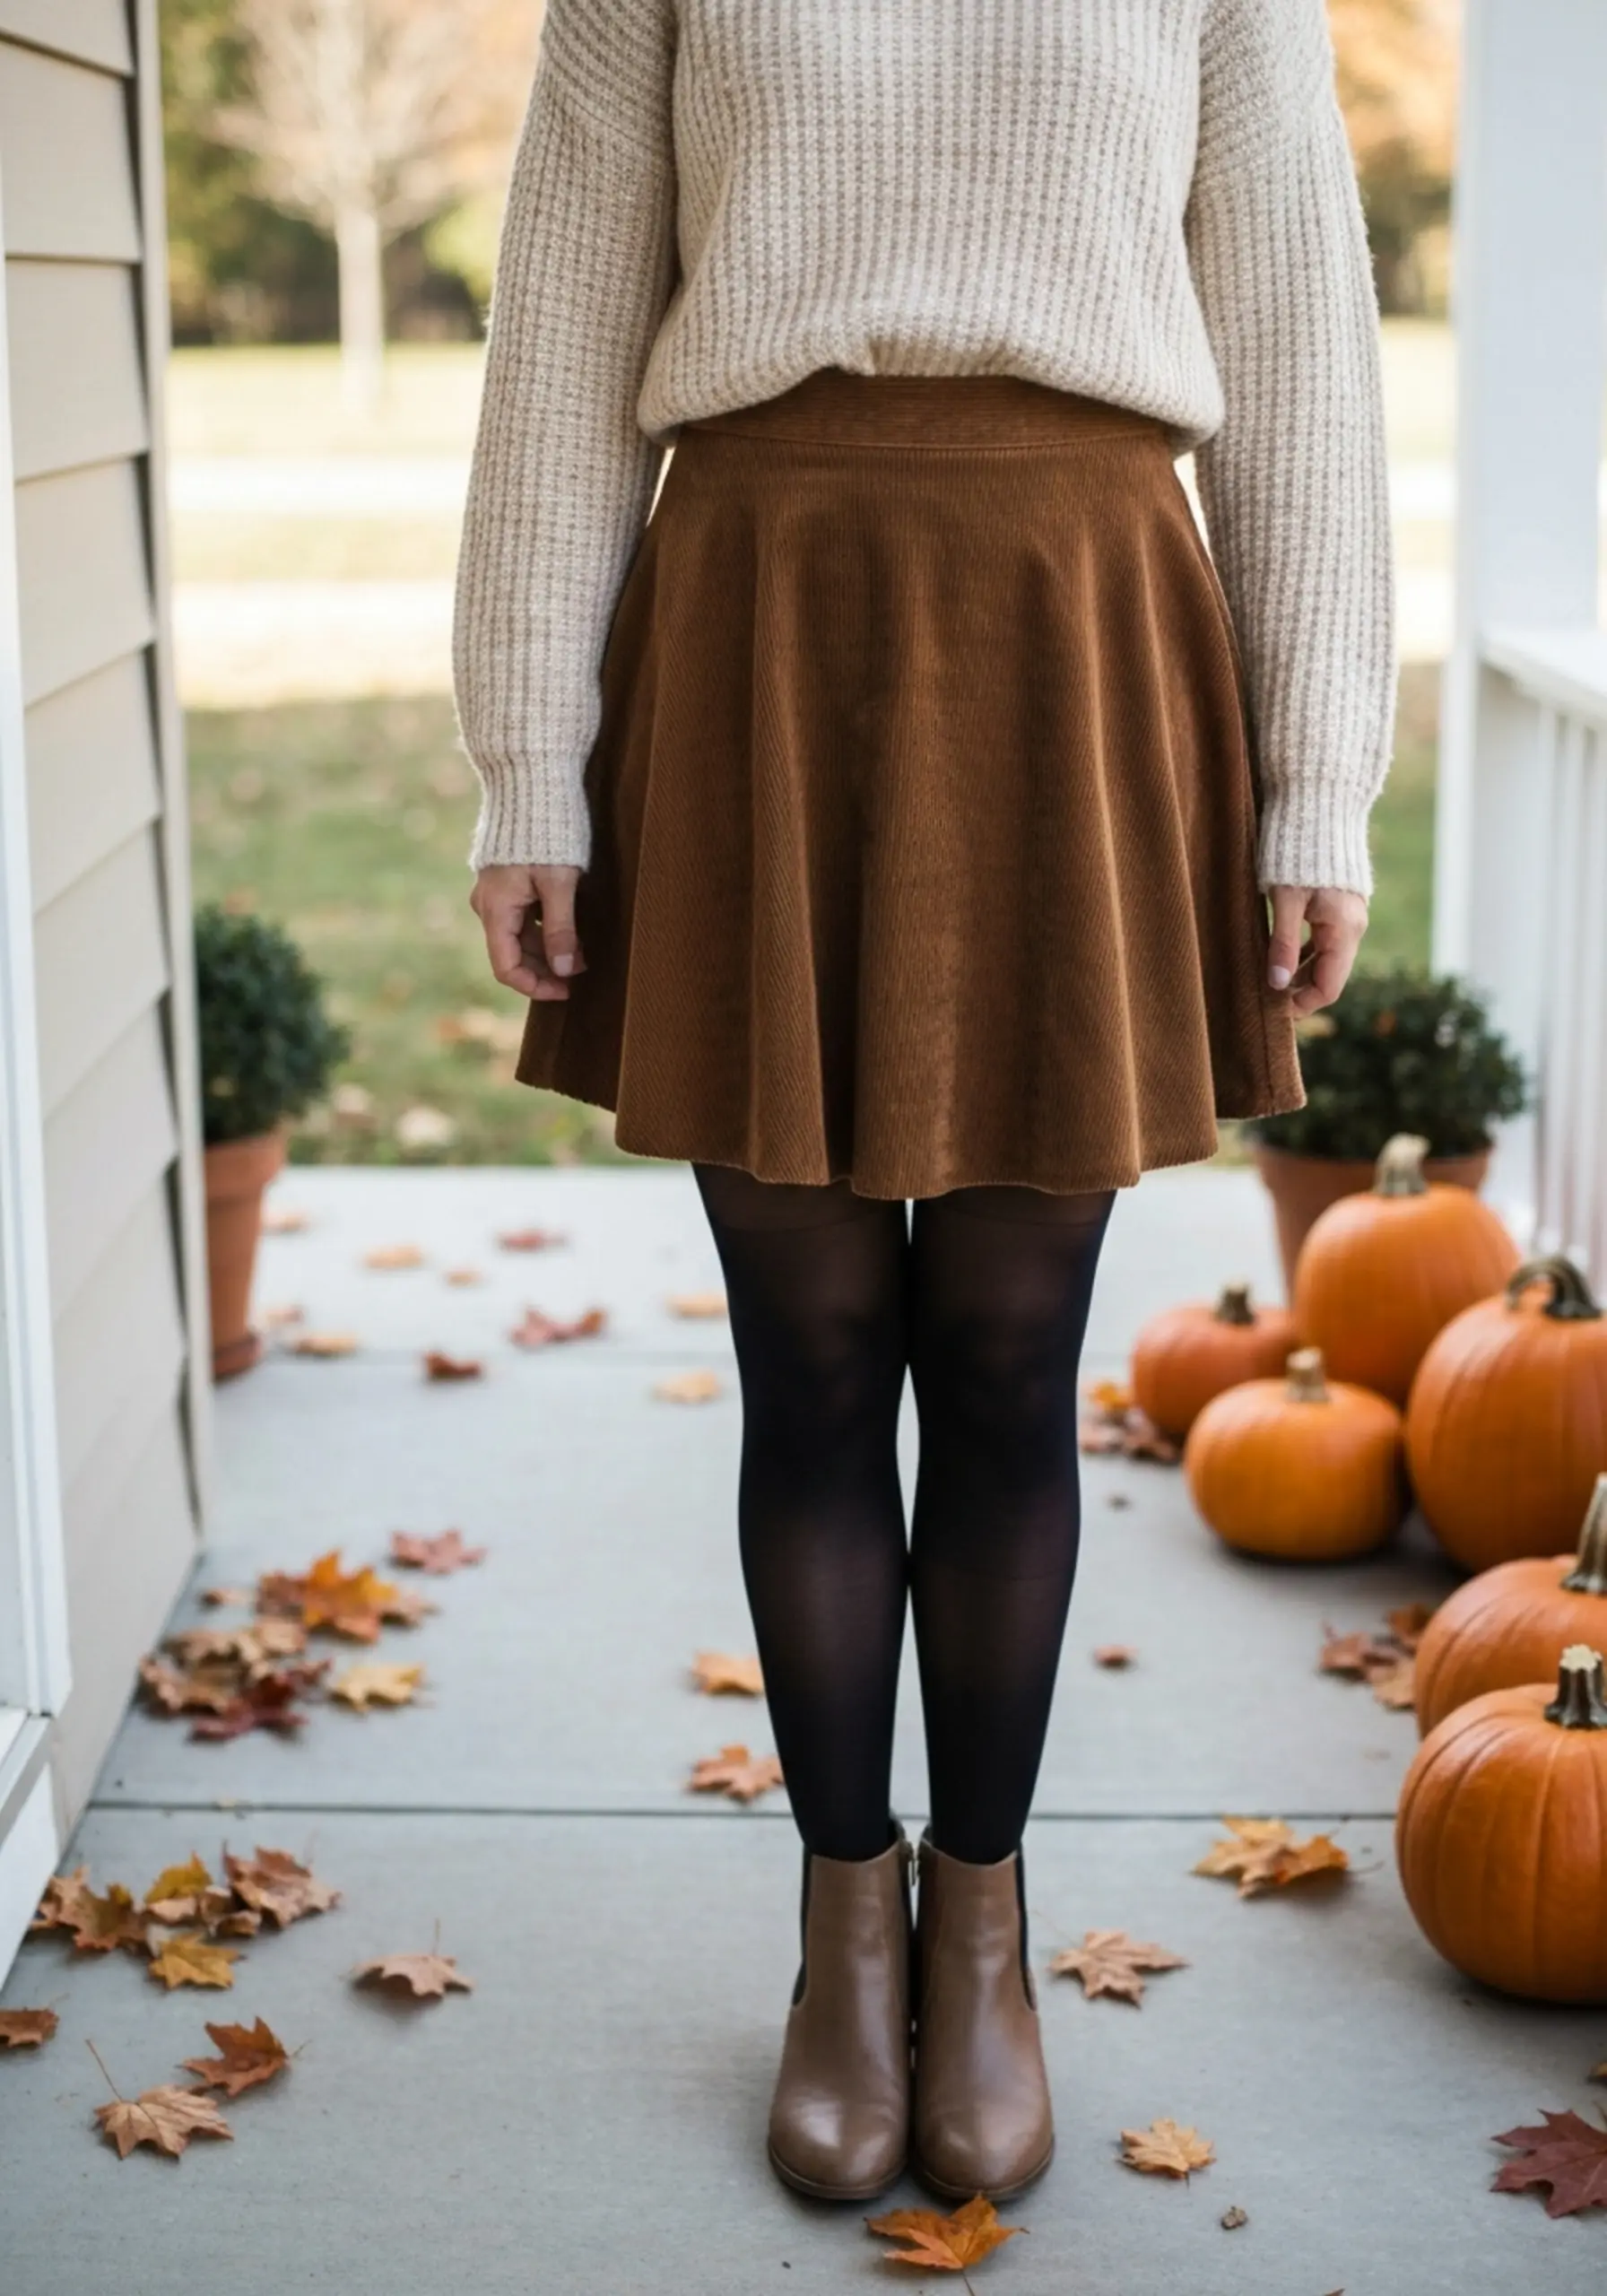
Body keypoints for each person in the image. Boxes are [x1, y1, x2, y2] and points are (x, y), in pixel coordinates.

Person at [453, 0, 1395, 2207]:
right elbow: (564, 336)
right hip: (759, 619)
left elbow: (1300, 349)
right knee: (808, 1365)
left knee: (996, 1360)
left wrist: (1314, 781)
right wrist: (525, 752)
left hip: (1076, 632)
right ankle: (838, 1925)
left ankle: (979, 1934)